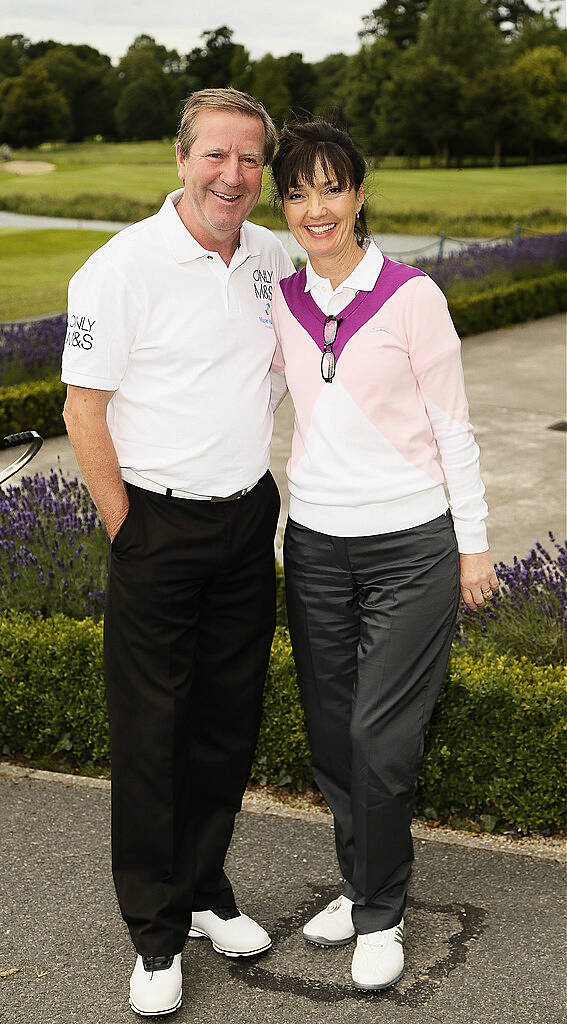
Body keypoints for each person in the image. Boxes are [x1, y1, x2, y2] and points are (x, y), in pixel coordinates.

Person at [61, 88, 293, 1018]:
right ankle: (155, 934)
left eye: (249, 160)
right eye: (215, 156)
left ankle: (204, 891)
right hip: (156, 527)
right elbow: (83, 408)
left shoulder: (270, 253)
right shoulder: (118, 270)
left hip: (246, 521)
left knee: (227, 720)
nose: (233, 176)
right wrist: (131, 530)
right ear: (181, 158)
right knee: (153, 737)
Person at [270, 121, 499, 992]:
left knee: (378, 734)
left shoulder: (413, 297)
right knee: (333, 737)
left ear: (360, 194)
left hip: (411, 545)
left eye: (331, 188)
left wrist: (471, 546)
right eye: (297, 192)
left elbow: (453, 428)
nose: (315, 207)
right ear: (284, 206)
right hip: (318, 545)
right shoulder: (282, 301)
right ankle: (361, 881)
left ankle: (381, 912)